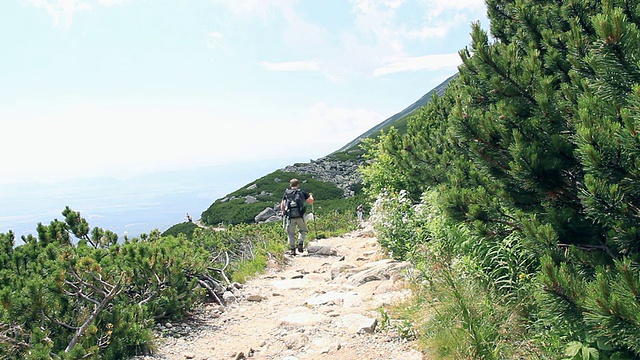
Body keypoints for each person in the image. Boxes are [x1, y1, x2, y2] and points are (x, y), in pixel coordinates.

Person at [280, 178, 314, 256]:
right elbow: (311, 201)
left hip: (290, 217)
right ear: (298, 185)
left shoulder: (286, 193)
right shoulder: (301, 192)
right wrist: (311, 195)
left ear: (290, 185)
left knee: (291, 233)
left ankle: (292, 250)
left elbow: (282, 205)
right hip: (300, 216)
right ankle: (300, 243)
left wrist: (284, 212)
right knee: (303, 230)